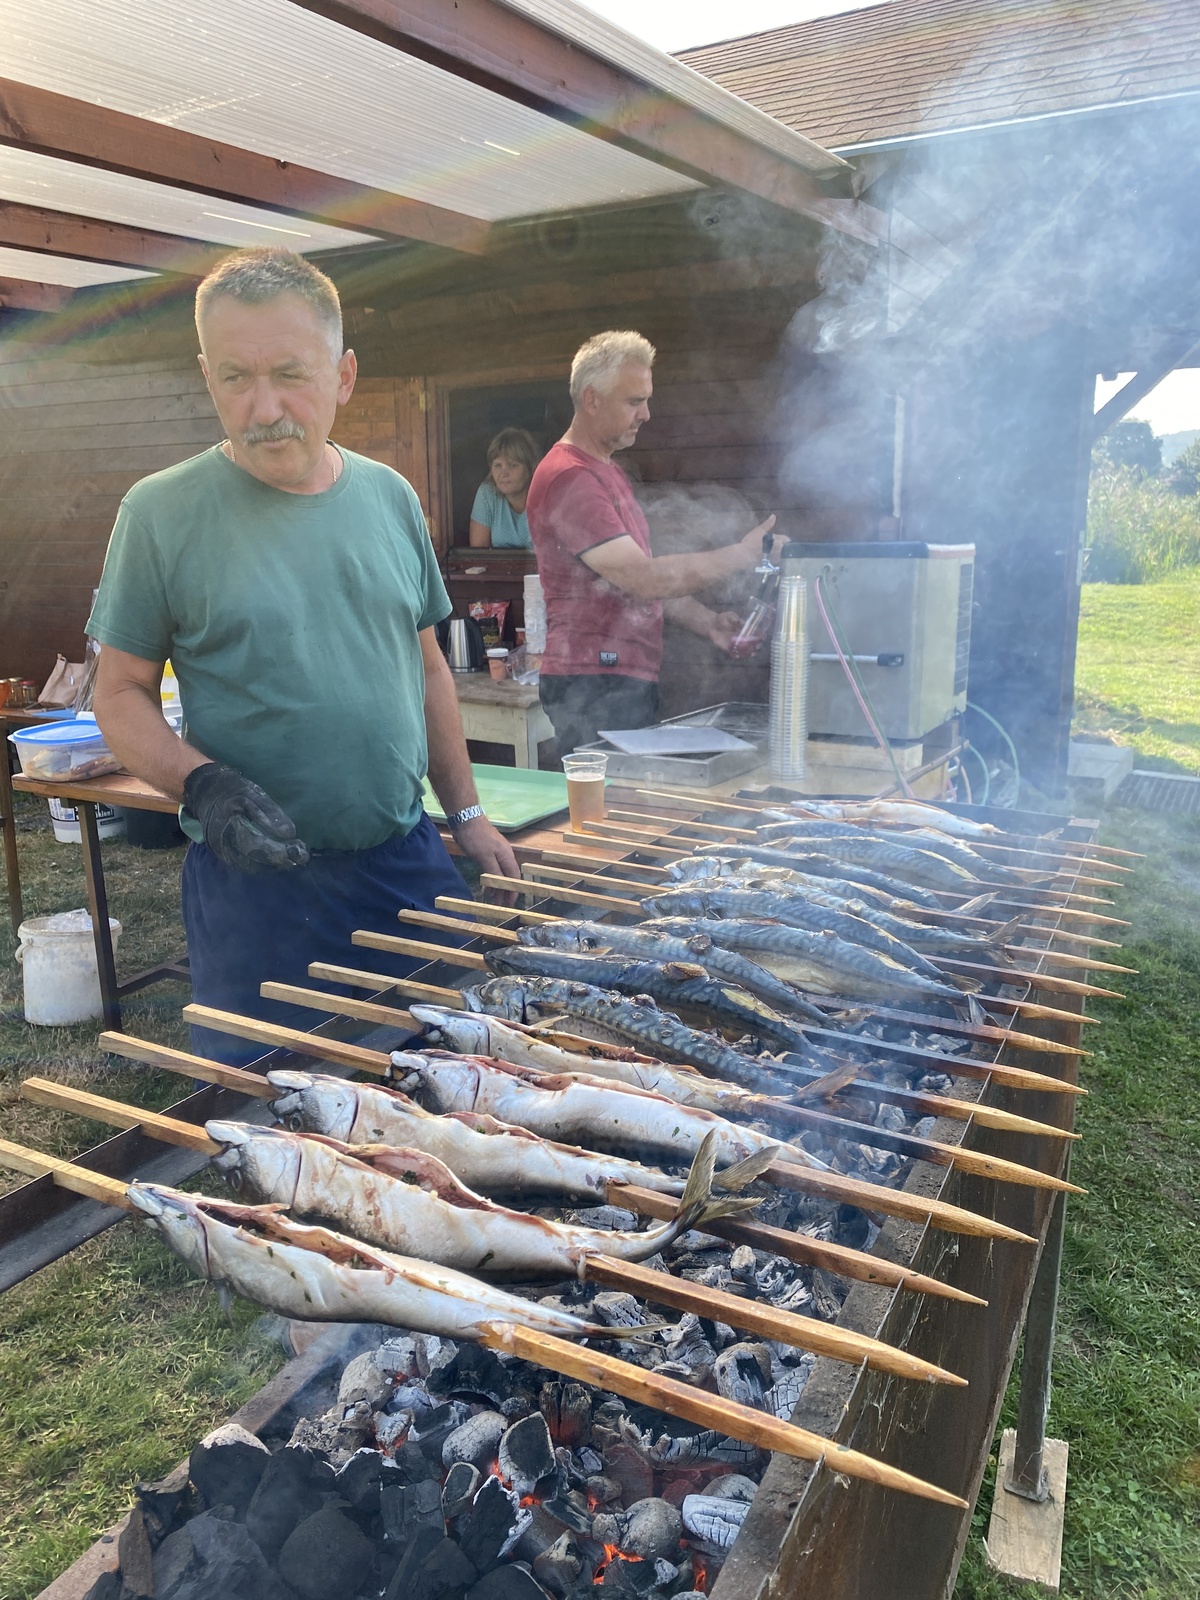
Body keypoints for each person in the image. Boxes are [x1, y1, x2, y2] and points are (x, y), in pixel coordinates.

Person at [88, 247, 519, 1063]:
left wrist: (464, 813)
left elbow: (427, 666)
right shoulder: (158, 513)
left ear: (343, 376)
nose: (264, 409)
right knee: (267, 1110)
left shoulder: (390, 496)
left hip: (402, 862)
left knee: (457, 1083)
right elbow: (118, 693)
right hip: (256, 890)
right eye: (235, 379)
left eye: (290, 374)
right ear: (207, 377)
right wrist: (201, 783)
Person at [525, 330, 780, 759]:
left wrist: (707, 621)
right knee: (611, 798)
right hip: (594, 681)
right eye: (634, 401)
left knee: (629, 793)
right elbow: (642, 578)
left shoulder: (606, 471)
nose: (646, 414)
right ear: (591, 400)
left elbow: (637, 583)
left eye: (646, 400)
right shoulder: (572, 478)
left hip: (615, 678)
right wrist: (743, 554)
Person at [467, 427, 538, 549]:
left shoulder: (545, 494)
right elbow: (479, 554)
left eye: (512, 465)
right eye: (498, 465)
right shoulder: (487, 494)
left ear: (530, 467)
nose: (504, 473)